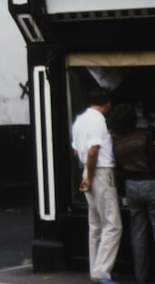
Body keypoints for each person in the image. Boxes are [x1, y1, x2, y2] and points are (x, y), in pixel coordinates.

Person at [72, 87, 122, 284]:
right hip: (99, 172)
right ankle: (102, 272)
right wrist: (91, 177)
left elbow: (77, 152)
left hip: (87, 169)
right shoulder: (98, 120)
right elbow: (93, 151)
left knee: (95, 224)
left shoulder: (80, 120)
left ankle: (96, 269)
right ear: (108, 104)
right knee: (113, 224)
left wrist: (86, 175)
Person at [110, 102, 155, 284]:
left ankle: (141, 276)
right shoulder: (145, 138)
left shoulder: (118, 144)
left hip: (131, 186)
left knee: (138, 233)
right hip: (150, 183)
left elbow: (119, 171)